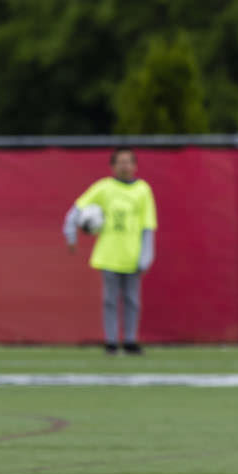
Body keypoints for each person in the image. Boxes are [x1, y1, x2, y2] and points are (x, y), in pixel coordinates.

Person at [62, 146, 156, 355]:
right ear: (112, 166)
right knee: (110, 300)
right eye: (120, 162)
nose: (125, 166)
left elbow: (148, 225)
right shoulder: (104, 188)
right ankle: (111, 341)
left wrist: (146, 255)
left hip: (132, 255)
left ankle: (130, 340)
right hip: (108, 254)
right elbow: (78, 209)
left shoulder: (143, 190)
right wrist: (70, 232)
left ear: (135, 166)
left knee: (132, 300)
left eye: (128, 162)